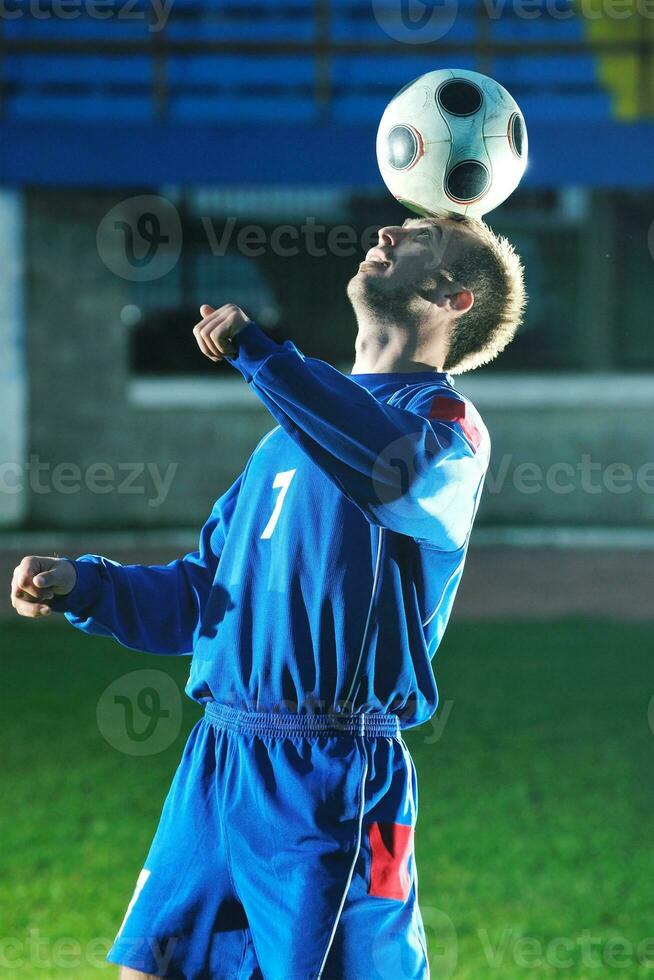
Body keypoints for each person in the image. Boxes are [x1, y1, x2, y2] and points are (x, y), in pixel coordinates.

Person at [10, 215, 526, 980]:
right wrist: (90, 585)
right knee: (148, 971)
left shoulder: (445, 427)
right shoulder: (287, 433)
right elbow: (204, 597)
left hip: (333, 778)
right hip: (217, 761)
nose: (386, 229)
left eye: (420, 238)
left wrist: (263, 358)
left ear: (453, 299)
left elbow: (400, 474)